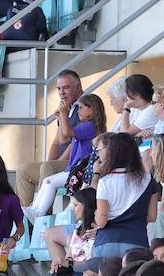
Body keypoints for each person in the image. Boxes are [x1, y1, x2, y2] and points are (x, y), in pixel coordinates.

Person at [24, 92, 105, 222]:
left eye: (82, 107)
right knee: (47, 181)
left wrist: (64, 115)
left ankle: (38, 213)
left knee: (50, 182)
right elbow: (63, 139)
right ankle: (35, 210)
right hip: (74, 169)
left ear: (92, 110)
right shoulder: (84, 126)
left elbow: (67, 133)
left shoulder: (90, 127)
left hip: (80, 171)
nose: (78, 111)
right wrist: (62, 119)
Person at [16, 70, 84, 208]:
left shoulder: (86, 107)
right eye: (59, 88)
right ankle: (24, 218)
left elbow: (73, 144)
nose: (61, 92)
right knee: (24, 170)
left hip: (77, 164)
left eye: (66, 87)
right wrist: (49, 162)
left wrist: (53, 164)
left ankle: (39, 216)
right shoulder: (67, 107)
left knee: (48, 167)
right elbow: (58, 142)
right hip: (63, 163)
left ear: (78, 87)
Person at [93, 132, 162, 260]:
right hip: (137, 242)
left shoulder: (105, 181)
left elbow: (101, 222)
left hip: (107, 242)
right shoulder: (147, 179)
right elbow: (152, 216)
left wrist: (97, 213)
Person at [44, 188, 96, 276]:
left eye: (76, 205)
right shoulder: (77, 231)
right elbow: (69, 260)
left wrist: (69, 264)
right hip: (76, 272)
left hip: (88, 272)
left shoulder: (97, 231)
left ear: (86, 206)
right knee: (55, 270)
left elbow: (94, 263)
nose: (73, 209)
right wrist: (59, 263)